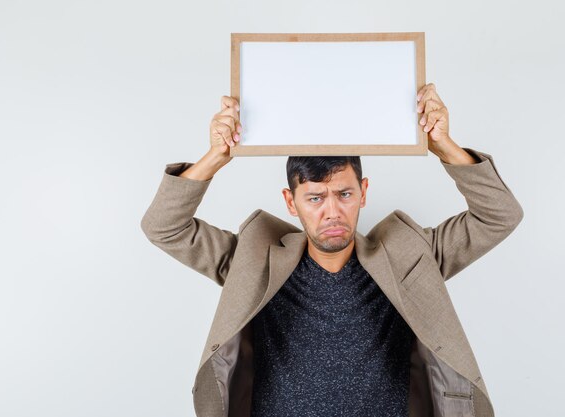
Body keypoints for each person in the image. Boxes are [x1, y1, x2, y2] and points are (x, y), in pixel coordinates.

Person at [140, 83, 524, 417]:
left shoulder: (410, 257)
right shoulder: (255, 261)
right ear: (291, 203)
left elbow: (499, 216)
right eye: (315, 198)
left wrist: (444, 147)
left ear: (363, 192)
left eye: (344, 194)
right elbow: (163, 226)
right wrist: (215, 158)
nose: (332, 211)